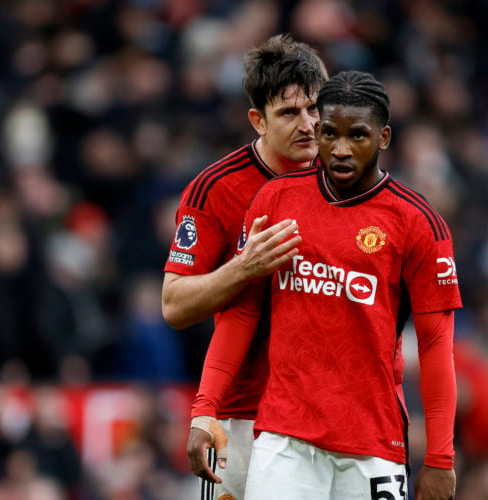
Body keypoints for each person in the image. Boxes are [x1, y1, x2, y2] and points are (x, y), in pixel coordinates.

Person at [191, 70, 461, 499]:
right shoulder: (278, 200)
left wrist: (440, 458)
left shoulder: (418, 222)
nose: (340, 149)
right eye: (329, 133)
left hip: (374, 442)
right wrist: (204, 409)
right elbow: (242, 313)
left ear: (384, 137)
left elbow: (435, 345)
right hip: (285, 438)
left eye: (358, 136)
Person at [161, 33, 328, 498]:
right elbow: (174, 305)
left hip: (326, 413)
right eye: (290, 113)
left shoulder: (342, 181)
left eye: (315, 109)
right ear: (257, 120)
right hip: (242, 415)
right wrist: (243, 267)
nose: (309, 125)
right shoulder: (214, 189)